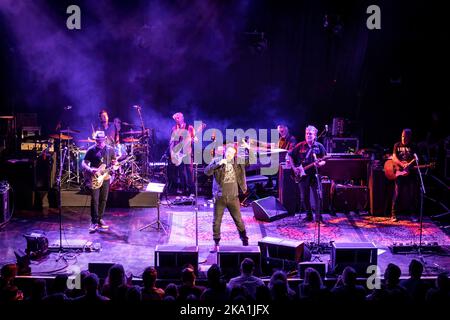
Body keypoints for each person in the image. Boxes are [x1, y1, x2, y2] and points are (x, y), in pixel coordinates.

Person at [205, 142, 251, 252]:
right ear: (225, 151)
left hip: (233, 197)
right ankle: (216, 243)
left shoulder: (238, 162)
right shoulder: (217, 160)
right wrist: (218, 163)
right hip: (219, 197)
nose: (230, 154)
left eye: (233, 152)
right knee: (216, 221)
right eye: (228, 152)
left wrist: (248, 150)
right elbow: (207, 172)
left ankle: (244, 240)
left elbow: (248, 163)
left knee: (238, 220)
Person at [287, 125, 327, 222]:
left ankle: (318, 218)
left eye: (310, 134)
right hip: (302, 176)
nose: (308, 135)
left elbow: (324, 160)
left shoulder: (319, 146)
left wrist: (319, 164)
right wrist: (294, 168)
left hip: (315, 175)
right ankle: (309, 216)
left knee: (318, 196)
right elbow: (290, 156)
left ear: (315, 135)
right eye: (307, 133)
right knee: (304, 196)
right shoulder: (300, 145)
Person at [82, 131, 117, 233]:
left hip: (106, 178)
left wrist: (115, 165)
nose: (99, 142)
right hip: (95, 178)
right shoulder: (91, 150)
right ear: (95, 140)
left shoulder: (110, 150)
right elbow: (84, 163)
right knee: (95, 200)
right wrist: (90, 169)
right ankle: (94, 222)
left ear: (105, 139)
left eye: (101, 140)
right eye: (97, 140)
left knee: (103, 199)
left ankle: (100, 219)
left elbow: (114, 162)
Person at [390, 129, 419, 222]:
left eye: (405, 137)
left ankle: (413, 214)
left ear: (409, 137)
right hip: (400, 171)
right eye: (402, 136)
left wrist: (409, 164)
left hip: (411, 173)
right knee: (397, 193)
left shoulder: (414, 146)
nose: (403, 138)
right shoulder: (397, 145)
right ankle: (393, 214)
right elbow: (394, 157)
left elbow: (416, 158)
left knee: (412, 194)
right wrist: (402, 165)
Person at [169, 112, 195, 195]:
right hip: (178, 155)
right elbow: (172, 142)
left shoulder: (189, 127)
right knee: (181, 174)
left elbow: (195, 138)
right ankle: (184, 192)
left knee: (190, 173)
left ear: (182, 118)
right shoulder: (174, 129)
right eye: (175, 118)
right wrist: (171, 153)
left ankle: (192, 191)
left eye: (178, 117)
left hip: (187, 153)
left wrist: (193, 139)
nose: (177, 119)